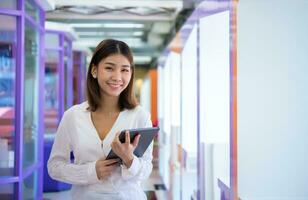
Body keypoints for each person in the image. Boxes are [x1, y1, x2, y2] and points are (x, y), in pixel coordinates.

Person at [47, 39, 153, 200]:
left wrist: (129, 159)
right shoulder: (73, 116)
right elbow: (54, 167)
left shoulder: (140, 116)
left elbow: (146, 169)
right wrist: (91, 171)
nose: (117, 77)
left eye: (124, 70)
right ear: (94, 70)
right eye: (109, 68)